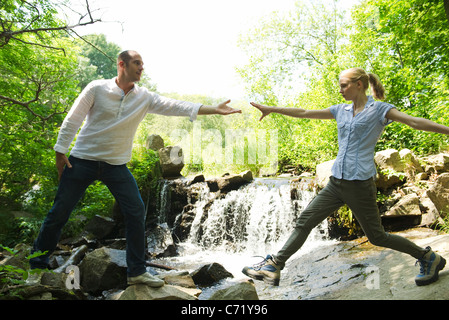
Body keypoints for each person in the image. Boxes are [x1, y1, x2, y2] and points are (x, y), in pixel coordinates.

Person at [30, 50, 241, 287]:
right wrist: (61, 151)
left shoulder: (144, 97)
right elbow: (73, 119)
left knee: (136, 211)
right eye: (137, 63)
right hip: (82, 160)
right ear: (122, 64)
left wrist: (214, 108)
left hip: (116, 165)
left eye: (142, 64)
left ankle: (136, 271)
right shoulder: (97, 88)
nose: (142, 68)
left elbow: (177, 106)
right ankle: (36, 267)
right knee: (59, 212)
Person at [242, 67, 448, 287]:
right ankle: (274, 265)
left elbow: (415, 122)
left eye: (343, 85)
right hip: (336, 182)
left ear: (359, 84)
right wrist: (271, 109)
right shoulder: (340, 110)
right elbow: (303, 112)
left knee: (377, 237)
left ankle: (428, 257)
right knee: (305, 221)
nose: (340, 90)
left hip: (360, 184)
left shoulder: (379, 110)